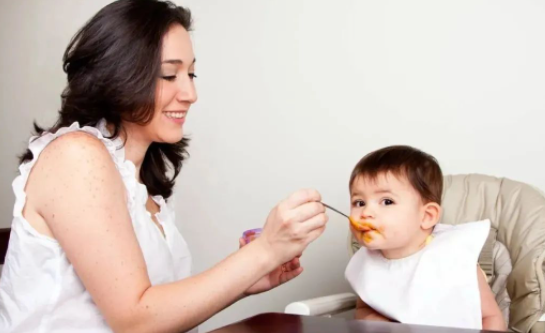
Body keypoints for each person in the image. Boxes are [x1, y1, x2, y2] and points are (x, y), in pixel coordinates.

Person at [0, 1, 328, 332]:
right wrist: (266, 251)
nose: (190, 93)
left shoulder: (140, 185)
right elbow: (135, 320)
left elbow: (154, 311)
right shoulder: (75, 156)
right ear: (119, 75)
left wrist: (247, 279)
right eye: (169, 75)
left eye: (191, 73)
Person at [345, 145, 506, 331]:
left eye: (387, 201)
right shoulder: (366, 261)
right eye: (359, 202)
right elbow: (363, 308)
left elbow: (491, 317)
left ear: (427, 216)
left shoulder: (453, 256)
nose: (366, 212)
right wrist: (378, 323)